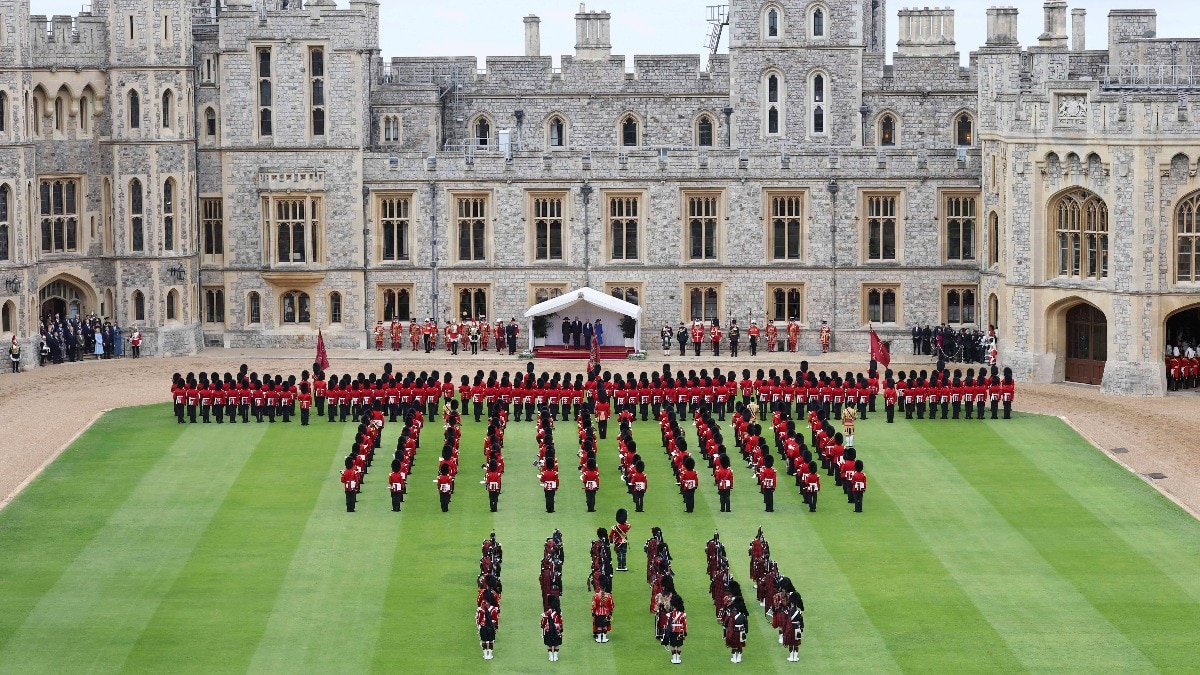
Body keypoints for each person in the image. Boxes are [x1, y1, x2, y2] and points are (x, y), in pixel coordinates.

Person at [541, 595, 564, 662]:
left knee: (549, 643)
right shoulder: (559, 612)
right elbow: (561, 622)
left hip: (548, 630)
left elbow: (543, 622)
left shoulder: (548, 612)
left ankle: (551, 656)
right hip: (557, 629)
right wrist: (561, 629)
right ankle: (555, 656)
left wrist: (542, 628)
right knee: (556, 643)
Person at [666, 594, 687, 664]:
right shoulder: (682, 614)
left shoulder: (670, 614)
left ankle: (673, 658)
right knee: (678, 645)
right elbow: (684, 624)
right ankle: (678, 659)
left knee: (672, 645)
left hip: (672, 631)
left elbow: (667, 624)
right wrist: (685, 632)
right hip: (680, 631)